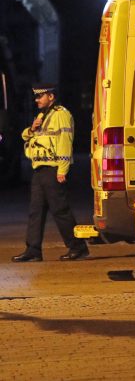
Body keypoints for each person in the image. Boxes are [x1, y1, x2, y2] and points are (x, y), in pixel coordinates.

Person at [11, 83, 89, 262]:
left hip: (53, 169)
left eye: (40, 96)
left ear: (51, 97)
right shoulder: (42, 115)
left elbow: (65, 143)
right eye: (36, 97)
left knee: (60, 210)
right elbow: (26, 136)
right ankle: (33, 250)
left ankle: (78, 247)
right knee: (35, 211)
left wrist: (62, 169)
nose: (37, 100)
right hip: (39, 169)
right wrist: (32, 129)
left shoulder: (61, 115)